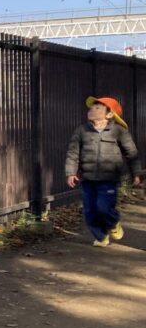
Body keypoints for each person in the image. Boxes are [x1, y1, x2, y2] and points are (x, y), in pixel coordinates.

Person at [64, 95, 143, 247]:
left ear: (109, 114)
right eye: (92, 107)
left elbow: (132, 153)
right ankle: (101, 236)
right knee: (90, 212)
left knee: (104, 208)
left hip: (109, 178)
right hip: (87, 178)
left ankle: (113, 223)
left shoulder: (119, 131)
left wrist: (137, 174)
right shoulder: (82, 130)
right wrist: (70, 173)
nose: (92, 109)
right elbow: (72, 153)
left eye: (97, 107)